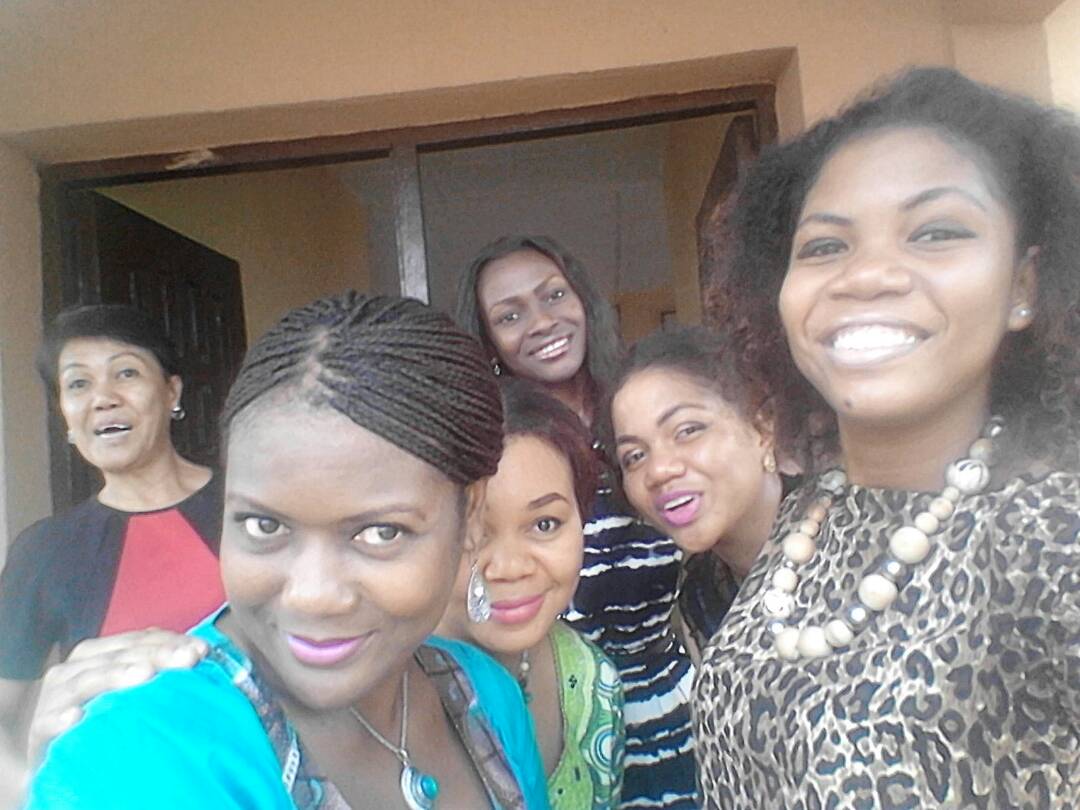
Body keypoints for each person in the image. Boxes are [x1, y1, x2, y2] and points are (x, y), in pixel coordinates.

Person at [693, 67, 1080, 808]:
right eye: (824, 247)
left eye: (936, 233)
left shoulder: (1051, 539)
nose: (867, 275)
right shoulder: (812, 513)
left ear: (1023, 287)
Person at [24, 292, 549, 809]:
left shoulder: (487, 695)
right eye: (264, 525)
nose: (311, 596)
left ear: (470, 516)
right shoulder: (133, 759)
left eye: (380, 533)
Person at [456, 235, 697, 808]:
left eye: (553, 295)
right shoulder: (484, 450)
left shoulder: (640, 420)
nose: (541, 322)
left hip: (672, 704)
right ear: (489, 342)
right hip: (551, 713)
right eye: (510, 315)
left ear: (583, 299)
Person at [0, 304, 223, 783]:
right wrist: (27, 790)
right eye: (78, 383)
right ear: (64, 413)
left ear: (172, 392)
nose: (103, 398)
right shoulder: (42, 551)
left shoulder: (254, 507)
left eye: (126, 373)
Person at [439, 379, 625, 809]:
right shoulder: (379, 696)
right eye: (472, 533)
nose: (510, 568)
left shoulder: (594, 684)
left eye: (545, 524)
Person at [608, 327, 799, 657]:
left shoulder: (856, 540)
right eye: (635, 456)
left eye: (687, 431)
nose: (658, 471)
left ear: (763, 427)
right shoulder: (700, 600)